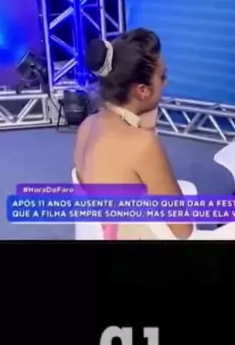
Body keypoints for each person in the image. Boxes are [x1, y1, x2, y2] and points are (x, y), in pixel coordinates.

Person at [74, 28, 193, 240]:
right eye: (162, 77)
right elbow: (183, 231)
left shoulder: (88, 125)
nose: (166, 83)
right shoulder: (143, 144)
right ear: (142, 90)